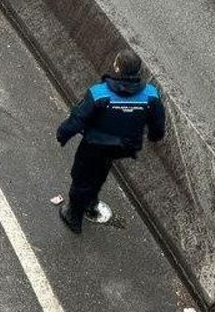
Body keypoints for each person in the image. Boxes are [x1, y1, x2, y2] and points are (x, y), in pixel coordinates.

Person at [55, 49, 166, 233]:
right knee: (102, 171)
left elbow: (78, 119)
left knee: (82, 177)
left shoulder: (100, 94)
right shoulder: (151, 95)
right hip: (123, 147)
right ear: (138, 72)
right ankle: (91, 201)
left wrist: (62, 134)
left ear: (116, 67)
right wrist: (155, 136)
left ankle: (74, 216)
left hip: (95, 146)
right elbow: (158, 123)